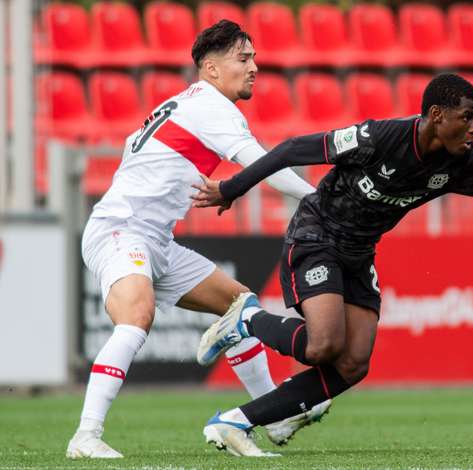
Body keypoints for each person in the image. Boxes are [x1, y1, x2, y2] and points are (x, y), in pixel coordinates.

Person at [191, 73, 473, 457]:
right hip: (317, 234)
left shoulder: (465, 160)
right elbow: (292, 149)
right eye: (467, 116)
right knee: (324, 345)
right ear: (437, 115)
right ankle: (246, 319)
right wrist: (231, 187)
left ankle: (235, 421)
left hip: (359, 251)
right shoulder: (380, 138)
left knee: (354, 363)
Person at [66, 20, 329, 459]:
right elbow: (267, 168)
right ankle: (85, 436)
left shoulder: (191, 103)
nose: (254, 68)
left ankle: (275, 414)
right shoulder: (211, 108)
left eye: (255, 58)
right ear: (210, 68)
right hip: (121, 228)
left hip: (155, 239)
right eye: (243, 59)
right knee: (137, 315)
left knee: (238, 305)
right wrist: (322, 200)